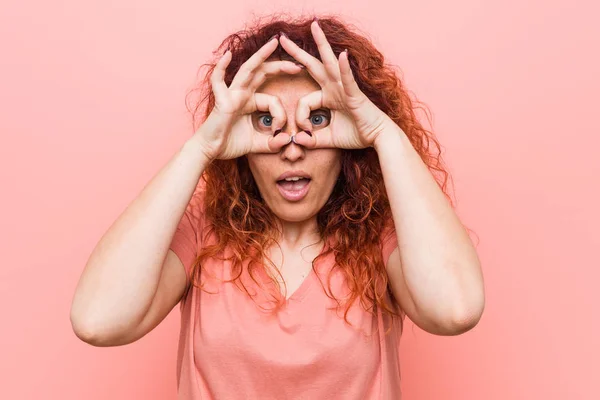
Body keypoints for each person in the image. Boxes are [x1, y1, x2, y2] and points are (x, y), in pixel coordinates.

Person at [70, 14, 485, 400]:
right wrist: (201, 148)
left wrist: (383, 134)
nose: (291, 147)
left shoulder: (384, 233)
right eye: (267, 121)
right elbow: (98, 320)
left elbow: (455, 310)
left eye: (317, 119)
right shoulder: (203, 229)